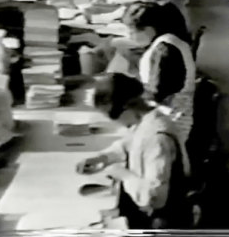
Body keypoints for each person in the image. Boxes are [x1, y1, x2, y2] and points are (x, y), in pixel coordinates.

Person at [77, 72, 192, 228]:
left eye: (113, 117)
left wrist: (124, 175)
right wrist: (104, 158)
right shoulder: (148, 120)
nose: (117, 123)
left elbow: (155, 197)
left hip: (161, 222)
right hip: (146, 213)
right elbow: (130, 143)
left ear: (127, 107)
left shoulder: (156, 138)